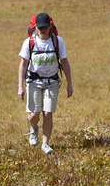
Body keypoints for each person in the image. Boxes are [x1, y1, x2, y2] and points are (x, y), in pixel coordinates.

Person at [18, 12, 73, 154]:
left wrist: (69, 83)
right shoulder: (29, 42)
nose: (43, 30)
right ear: (35, 27)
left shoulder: (58, 41)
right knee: (35, 114)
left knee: (48, 113)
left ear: (50, 26)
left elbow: (65, 62)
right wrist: (20, 86)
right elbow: (23, 65)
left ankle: (45, 144)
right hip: (34, 81)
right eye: (40, 28)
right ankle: (33, 129)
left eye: (45, 27)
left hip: (52, 82)